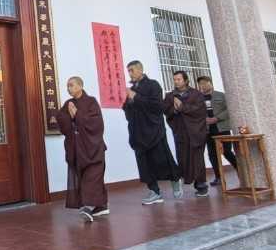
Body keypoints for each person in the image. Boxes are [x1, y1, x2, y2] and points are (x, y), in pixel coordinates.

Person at [122, 61, 182, 205]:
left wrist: (135, 97)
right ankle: (154, 191)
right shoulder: (131, 90)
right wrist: (129, 102)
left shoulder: (153, 85)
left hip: (153, 130)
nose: (130, 73)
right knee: (144, 163)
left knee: (162, 159)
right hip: (138, 131)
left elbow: (156, 106)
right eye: (128, 71)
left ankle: (175, 179)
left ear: (141, 70)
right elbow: (126, 109)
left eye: (132, 70)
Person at [56, 77, 109, 221]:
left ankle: (87, 207)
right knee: (88, 177)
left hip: (93, 147)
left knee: (92, 177)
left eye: (71, 85)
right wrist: (68, 117)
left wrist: (77, 115)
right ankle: (101, 206)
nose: (68, 88)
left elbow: (97, 124)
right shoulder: (68, 103)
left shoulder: (91, 102)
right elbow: (61, 119)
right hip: (77, 149)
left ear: (80, 86)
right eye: (67, 86)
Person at [163, 71, 209, 197]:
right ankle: (186, 179)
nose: (176, 82)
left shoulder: (196, 94)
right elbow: (166, 110)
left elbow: (199, 110)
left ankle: (201, 185)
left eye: (179, 79)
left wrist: (182, 107)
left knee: (197, 159)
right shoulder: (170, 96)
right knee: (183, 158)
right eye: (175, 79)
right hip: (181, 133)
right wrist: (175, 109)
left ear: (186, 80)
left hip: (196, 132)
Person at [196, 76, 238, 186]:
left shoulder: (221, 95)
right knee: (212, 154)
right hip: (208, 129)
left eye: (205, 83)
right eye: (200, 84)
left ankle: (240, 171)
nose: (203, 85)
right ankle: (218, 177)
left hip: (222, 128)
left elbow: (229, 109)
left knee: (227, 151)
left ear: (210, 83)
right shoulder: (198, 98)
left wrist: (217, 118)